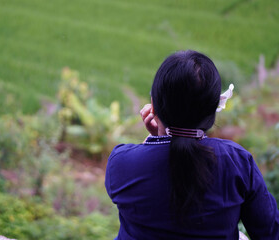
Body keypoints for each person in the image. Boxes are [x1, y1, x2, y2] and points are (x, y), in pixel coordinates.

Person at [105, 50, 279, 240]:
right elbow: (270, 232)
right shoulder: (236, 162)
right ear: (214, 111)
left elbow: (149, 170)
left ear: (153, 106)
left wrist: (155, 139)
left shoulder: (121, 163)